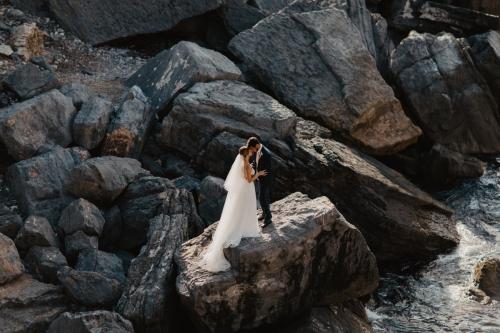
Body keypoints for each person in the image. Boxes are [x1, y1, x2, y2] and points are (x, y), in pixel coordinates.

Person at [200, 145, 267, 272]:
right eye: (250, 153)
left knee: (239, 211)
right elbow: (249, 180)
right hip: (246, 190)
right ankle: (243, 228)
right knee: (244, 210)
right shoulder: (245, 165)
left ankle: (241, 227)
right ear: (246, 154)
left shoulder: (243, 163)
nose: (251, 154)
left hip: (243, 191)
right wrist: (258, 173)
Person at [247, 137, 273, 227]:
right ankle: (265, 213)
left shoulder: (266, 154)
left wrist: (257, 174)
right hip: (260, 178)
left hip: (265, 179)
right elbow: (256, 162)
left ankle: (268, 219)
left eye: (252, 148)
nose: (252, 151)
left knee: (262, 198)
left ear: (257, 145)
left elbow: (267, 170)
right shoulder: (257, 150)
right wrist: (251, 167)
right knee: (265, 197)